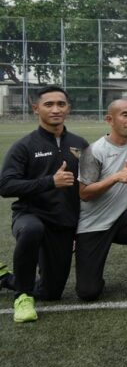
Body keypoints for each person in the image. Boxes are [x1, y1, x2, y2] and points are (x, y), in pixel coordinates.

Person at [0, 86, 89, 323]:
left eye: (61, 104)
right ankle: (22, 297)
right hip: (31, 216)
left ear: (68, 108)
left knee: (51, 293)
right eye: (49, 104)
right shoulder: (25, 146)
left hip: (63, 223)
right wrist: (50, 182)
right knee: (32, 229)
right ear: (36, 108)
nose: (56, 109)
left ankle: (6, 278)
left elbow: (89, 186)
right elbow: (6, 186)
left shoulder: (80, 144)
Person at [76, 100, 127, 301]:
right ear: (109, 119)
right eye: (125, 115)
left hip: (122, 217)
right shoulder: (94, 151)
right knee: (88, 293)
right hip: (93, 224)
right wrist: (114, 178)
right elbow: (84, 193)